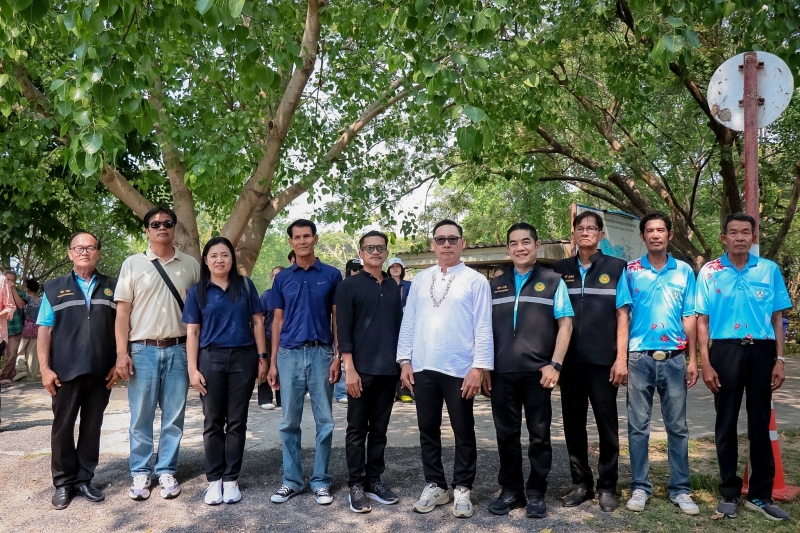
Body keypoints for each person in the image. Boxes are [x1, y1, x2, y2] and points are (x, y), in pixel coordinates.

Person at [697, 213, 792, 521]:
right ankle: (728, 492)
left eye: (745, 232)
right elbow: (702, 320)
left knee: (760, 423)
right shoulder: (710, 271)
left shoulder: (768, 269)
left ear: (754, 237)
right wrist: (705, 363)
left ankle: (761, 495)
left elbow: (777, 318)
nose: (739, 237)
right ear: (724, 238)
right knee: (725, 423)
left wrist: (779, 360)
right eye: (733, 232)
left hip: (762, 351)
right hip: (725, 350)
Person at [397, 219, 494, 518]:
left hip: (460, 368)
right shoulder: (420, 280)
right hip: (423, 365)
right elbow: (409, 321)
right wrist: (404, 361)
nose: (447, 244)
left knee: (463, 429)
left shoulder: (476, 281)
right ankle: (436, 485)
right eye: (441, 239)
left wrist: (478, 368)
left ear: (463, 243)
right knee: (427, 429)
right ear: (433, 244)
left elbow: (483, 325)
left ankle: (463, 487)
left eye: (453, 239)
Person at [485, 223, 574, 518]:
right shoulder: (494, 285)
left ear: (537, 246)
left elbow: (565, 324)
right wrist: (485, 368)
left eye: (526, 242)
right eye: (514, 243)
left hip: (539, 374)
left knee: (539, 436)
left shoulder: (553, 281)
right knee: (506, 436)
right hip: (501, 374)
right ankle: (511, 491)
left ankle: (536, 492)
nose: (520, 247)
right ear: (508, 249)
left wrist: (555, 364)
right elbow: (483, 329)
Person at [114, 206, 200, 501]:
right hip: (142, 350)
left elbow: (200, 311)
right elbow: (122, 313)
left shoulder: (190, 265)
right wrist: (121, 353)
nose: (161, 227)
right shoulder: (132, 264)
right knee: (141, 416)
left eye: (167, 223)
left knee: (174, 416)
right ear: (147, 230)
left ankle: (166, 470)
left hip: (179, 349)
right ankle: (140, 471)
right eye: (155, 224)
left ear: (174, 228)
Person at [552, 211, 631, 512]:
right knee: (573, 426)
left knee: (607, 426)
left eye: (591, 228)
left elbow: (622, 315)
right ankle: (581, 484)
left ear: (600, 234)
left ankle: (607, 486)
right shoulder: (559, 270)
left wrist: (620, 358)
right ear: (573, 233)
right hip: (570, 363)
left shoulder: (617, 267)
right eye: (580, 228)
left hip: (603, 362)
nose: (585, 232)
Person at [36, 232, 119, 510]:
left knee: (92, 427)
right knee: (63, 428)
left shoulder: (113, 287)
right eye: (79, 248)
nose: (85, 252)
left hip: (101, 371)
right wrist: (45, 369)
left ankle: (84, 479)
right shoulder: (54, 288)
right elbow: (44, 330)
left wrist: (119, 362)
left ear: (98, 252)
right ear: (70, 253)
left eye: (90, 247)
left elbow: (122, 327)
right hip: (64, 372)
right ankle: (63, 483)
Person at [624, 212, 699, 515]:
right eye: (650, 230)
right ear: (642, 236)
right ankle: (640, 487)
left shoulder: (684, 271)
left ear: (670, 235)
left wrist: (694, 360)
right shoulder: (630, 271)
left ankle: (680, 489)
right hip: (638, 359)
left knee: (677, 427)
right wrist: (620, 358)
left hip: (675, 359)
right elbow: (622, 315)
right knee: (637, 428)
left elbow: (690, 316)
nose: (655, 235)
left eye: (661, 230)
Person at [183, 237, 267, 506]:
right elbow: (193, 332)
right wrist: (192, 368)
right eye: (214, 255)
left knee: (237, 421)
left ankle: (231, 479)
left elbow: (258, 322)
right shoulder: (197, 291)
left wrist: (262, 357)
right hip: (211, 359)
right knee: (212, 421)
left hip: (244, 359)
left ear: (232, 258)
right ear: (206, 260)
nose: (219, 260)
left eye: (225, 255)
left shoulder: (245, 286)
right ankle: (214, 480)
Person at [268, 219, 343, 506]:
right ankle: (292, 480)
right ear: (290, 242)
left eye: (307, 236)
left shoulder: (331, 275)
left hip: (321, 353)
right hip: (289, 354)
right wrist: (273, 362)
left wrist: (337, 356)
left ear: (315, 239)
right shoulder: (283, 278)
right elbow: (277, 322)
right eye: (297, 237)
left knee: (325, 421)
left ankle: (321, 481)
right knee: (289, 421)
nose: (302, 241)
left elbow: (337, 319)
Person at [335, 231, 403, 513]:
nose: (375, 252)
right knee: (356, 429)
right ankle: (355, 484)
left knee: (380, 430)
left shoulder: (393, 287)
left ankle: (374, 480)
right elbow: (344, 330)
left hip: (388, 370)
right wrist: (349, 369)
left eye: (380, 247)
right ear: (361, 253)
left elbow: (399, 328)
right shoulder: (348, 286)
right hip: (360, 372)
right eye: (369, 248)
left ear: (386, 253)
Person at [336, 259, 363, 404]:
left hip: (360, 335)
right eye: (354, 269)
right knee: (343, 362)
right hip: (345, 332)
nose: (358, 271)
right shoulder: (344, 286)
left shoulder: (367, 286)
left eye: (360, 268)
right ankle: (341, 392)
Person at [258, 266, 285, 410]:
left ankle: (283, 398)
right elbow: (259, 320)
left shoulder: (289, 294)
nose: (276, 278)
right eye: (273, 275)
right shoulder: (266, 295)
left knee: (283, 369)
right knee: (265, 366)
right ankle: (265, 398)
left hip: (285, 339)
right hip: (267, 339)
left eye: (279, 275)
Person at [388, 257, 414, 403]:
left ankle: (405, 391)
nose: (395, 268)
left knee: (405, 359)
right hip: (389, 325)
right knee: (390, 358)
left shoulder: (409, 285)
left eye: (398, 266)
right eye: (392, 266)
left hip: (407, 325)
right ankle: (391, 392)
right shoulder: (384, 284)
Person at [0, 270, 28, 384]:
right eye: (8, 280)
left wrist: (12, 290)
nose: (10, 282)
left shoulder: (20, 292)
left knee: (12, 354)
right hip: (1, 328)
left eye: (12, 280)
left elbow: (21, 305)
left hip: (14, 328)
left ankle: (5, 377)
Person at [18, 279, 42, 380]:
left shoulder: (25, 299)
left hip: (25, 327)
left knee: (20, 350)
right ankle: (31, 375)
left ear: (27, 289)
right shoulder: (41, 300)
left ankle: (21, 370)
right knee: (32, 352)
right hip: (37, 328)